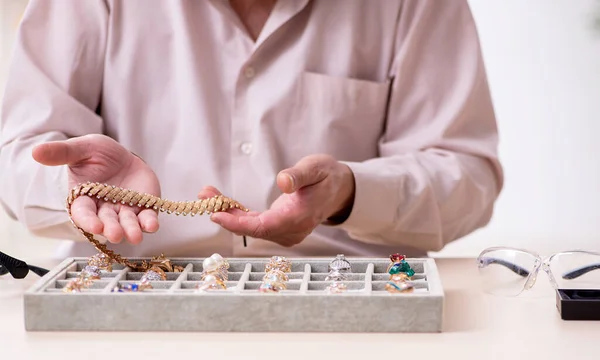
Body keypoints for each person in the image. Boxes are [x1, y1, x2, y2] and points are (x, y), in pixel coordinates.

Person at [0, 0, 503, 260]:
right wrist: (83, 189)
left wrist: (350, 193)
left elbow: (466, 175)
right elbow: (18, 156)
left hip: (355, 306)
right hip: (128, 294)